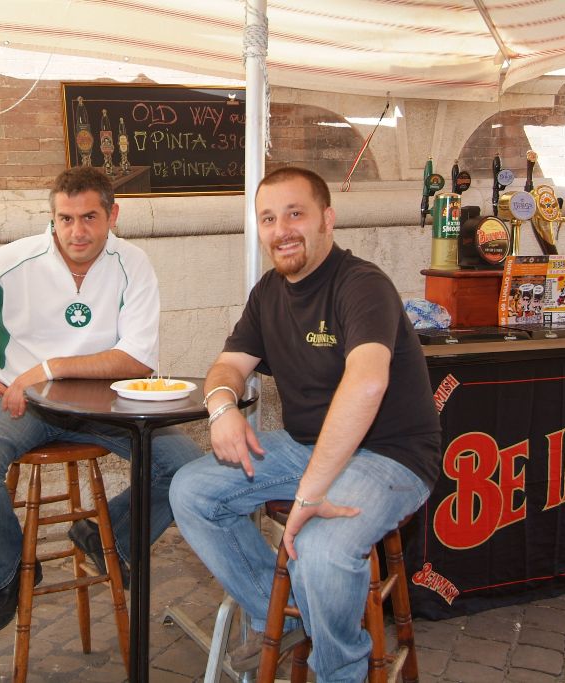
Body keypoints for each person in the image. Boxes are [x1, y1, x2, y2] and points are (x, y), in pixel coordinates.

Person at [170, 166, 442, 681]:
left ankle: (341, 671)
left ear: (327, 219)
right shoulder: (268, 293)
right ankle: (284, 612)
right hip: (308, 447)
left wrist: (311, 494)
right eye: (268, 218)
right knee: (191, 491)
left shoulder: (362, 284)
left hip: (391, 455)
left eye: (295, 214)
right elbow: (227, 366)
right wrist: (222, 408)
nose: (282, 230)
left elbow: (367, 384)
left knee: (318, 549)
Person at [0, 165, 200, 634]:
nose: (76, 231)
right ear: (53, 217)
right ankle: (8, 574)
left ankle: (109, 536)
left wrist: (52, 367)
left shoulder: (133, 263)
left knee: (188, 468)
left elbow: (137, 360)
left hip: (106, 404)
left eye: (89, 218)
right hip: (23, 402)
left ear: (112, 216)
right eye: (65, 219)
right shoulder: (11, 261)